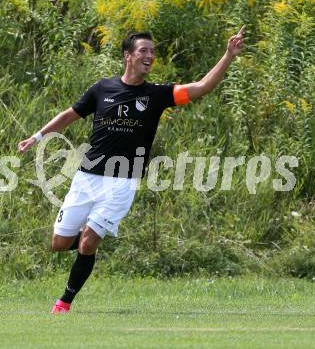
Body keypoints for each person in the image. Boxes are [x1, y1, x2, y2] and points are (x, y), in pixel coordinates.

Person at [18, 26, 245, 313]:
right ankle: (91, 239)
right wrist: (36, 137)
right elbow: (68, 116)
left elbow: (201, 87)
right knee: (60, 243)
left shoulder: (157, 95)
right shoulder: (102, 89)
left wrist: (228, 55)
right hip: (86, 179)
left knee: (87, 243)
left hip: (121, 184)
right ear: (128, 56)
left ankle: (64, 302)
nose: (149, 56)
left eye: (152, 51)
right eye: (143, 51)